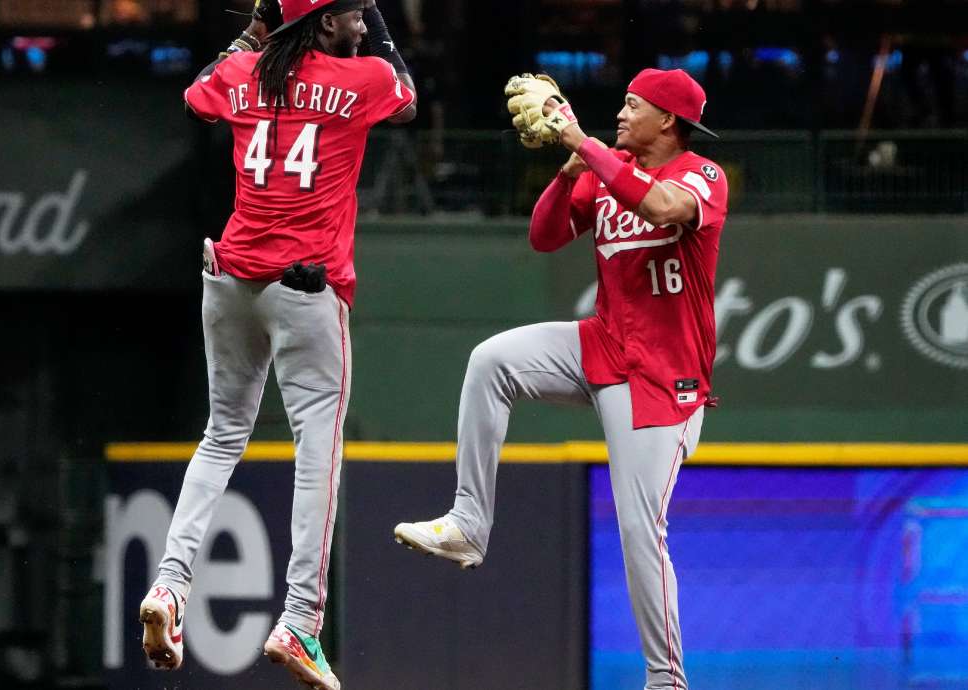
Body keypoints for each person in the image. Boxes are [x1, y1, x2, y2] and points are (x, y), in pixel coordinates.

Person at [393, 68, 727, 690]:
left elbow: (659, 205)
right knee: (491, 360)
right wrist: (570, 170)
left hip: (663, 379)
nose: (621, 114)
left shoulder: (700, 175)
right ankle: (469, 525)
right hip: (603, 343)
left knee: (637, 527)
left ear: (670, 121)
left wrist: (581, 143)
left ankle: (666, 680)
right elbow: (545, 236)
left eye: (634, 105)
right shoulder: (607, 168)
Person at [138, 1, 416, 689]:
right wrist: (377, 20)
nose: (358, 18)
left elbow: (195, 93)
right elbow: (406, 94)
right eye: (348, 10)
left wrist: (256, 30)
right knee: (315, 448)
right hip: (305, 290)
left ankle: (171, 587)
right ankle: (300, 620)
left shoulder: (241, 71)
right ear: (325, 24)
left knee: (223, 433)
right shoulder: (358, 82)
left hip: (229, 277)